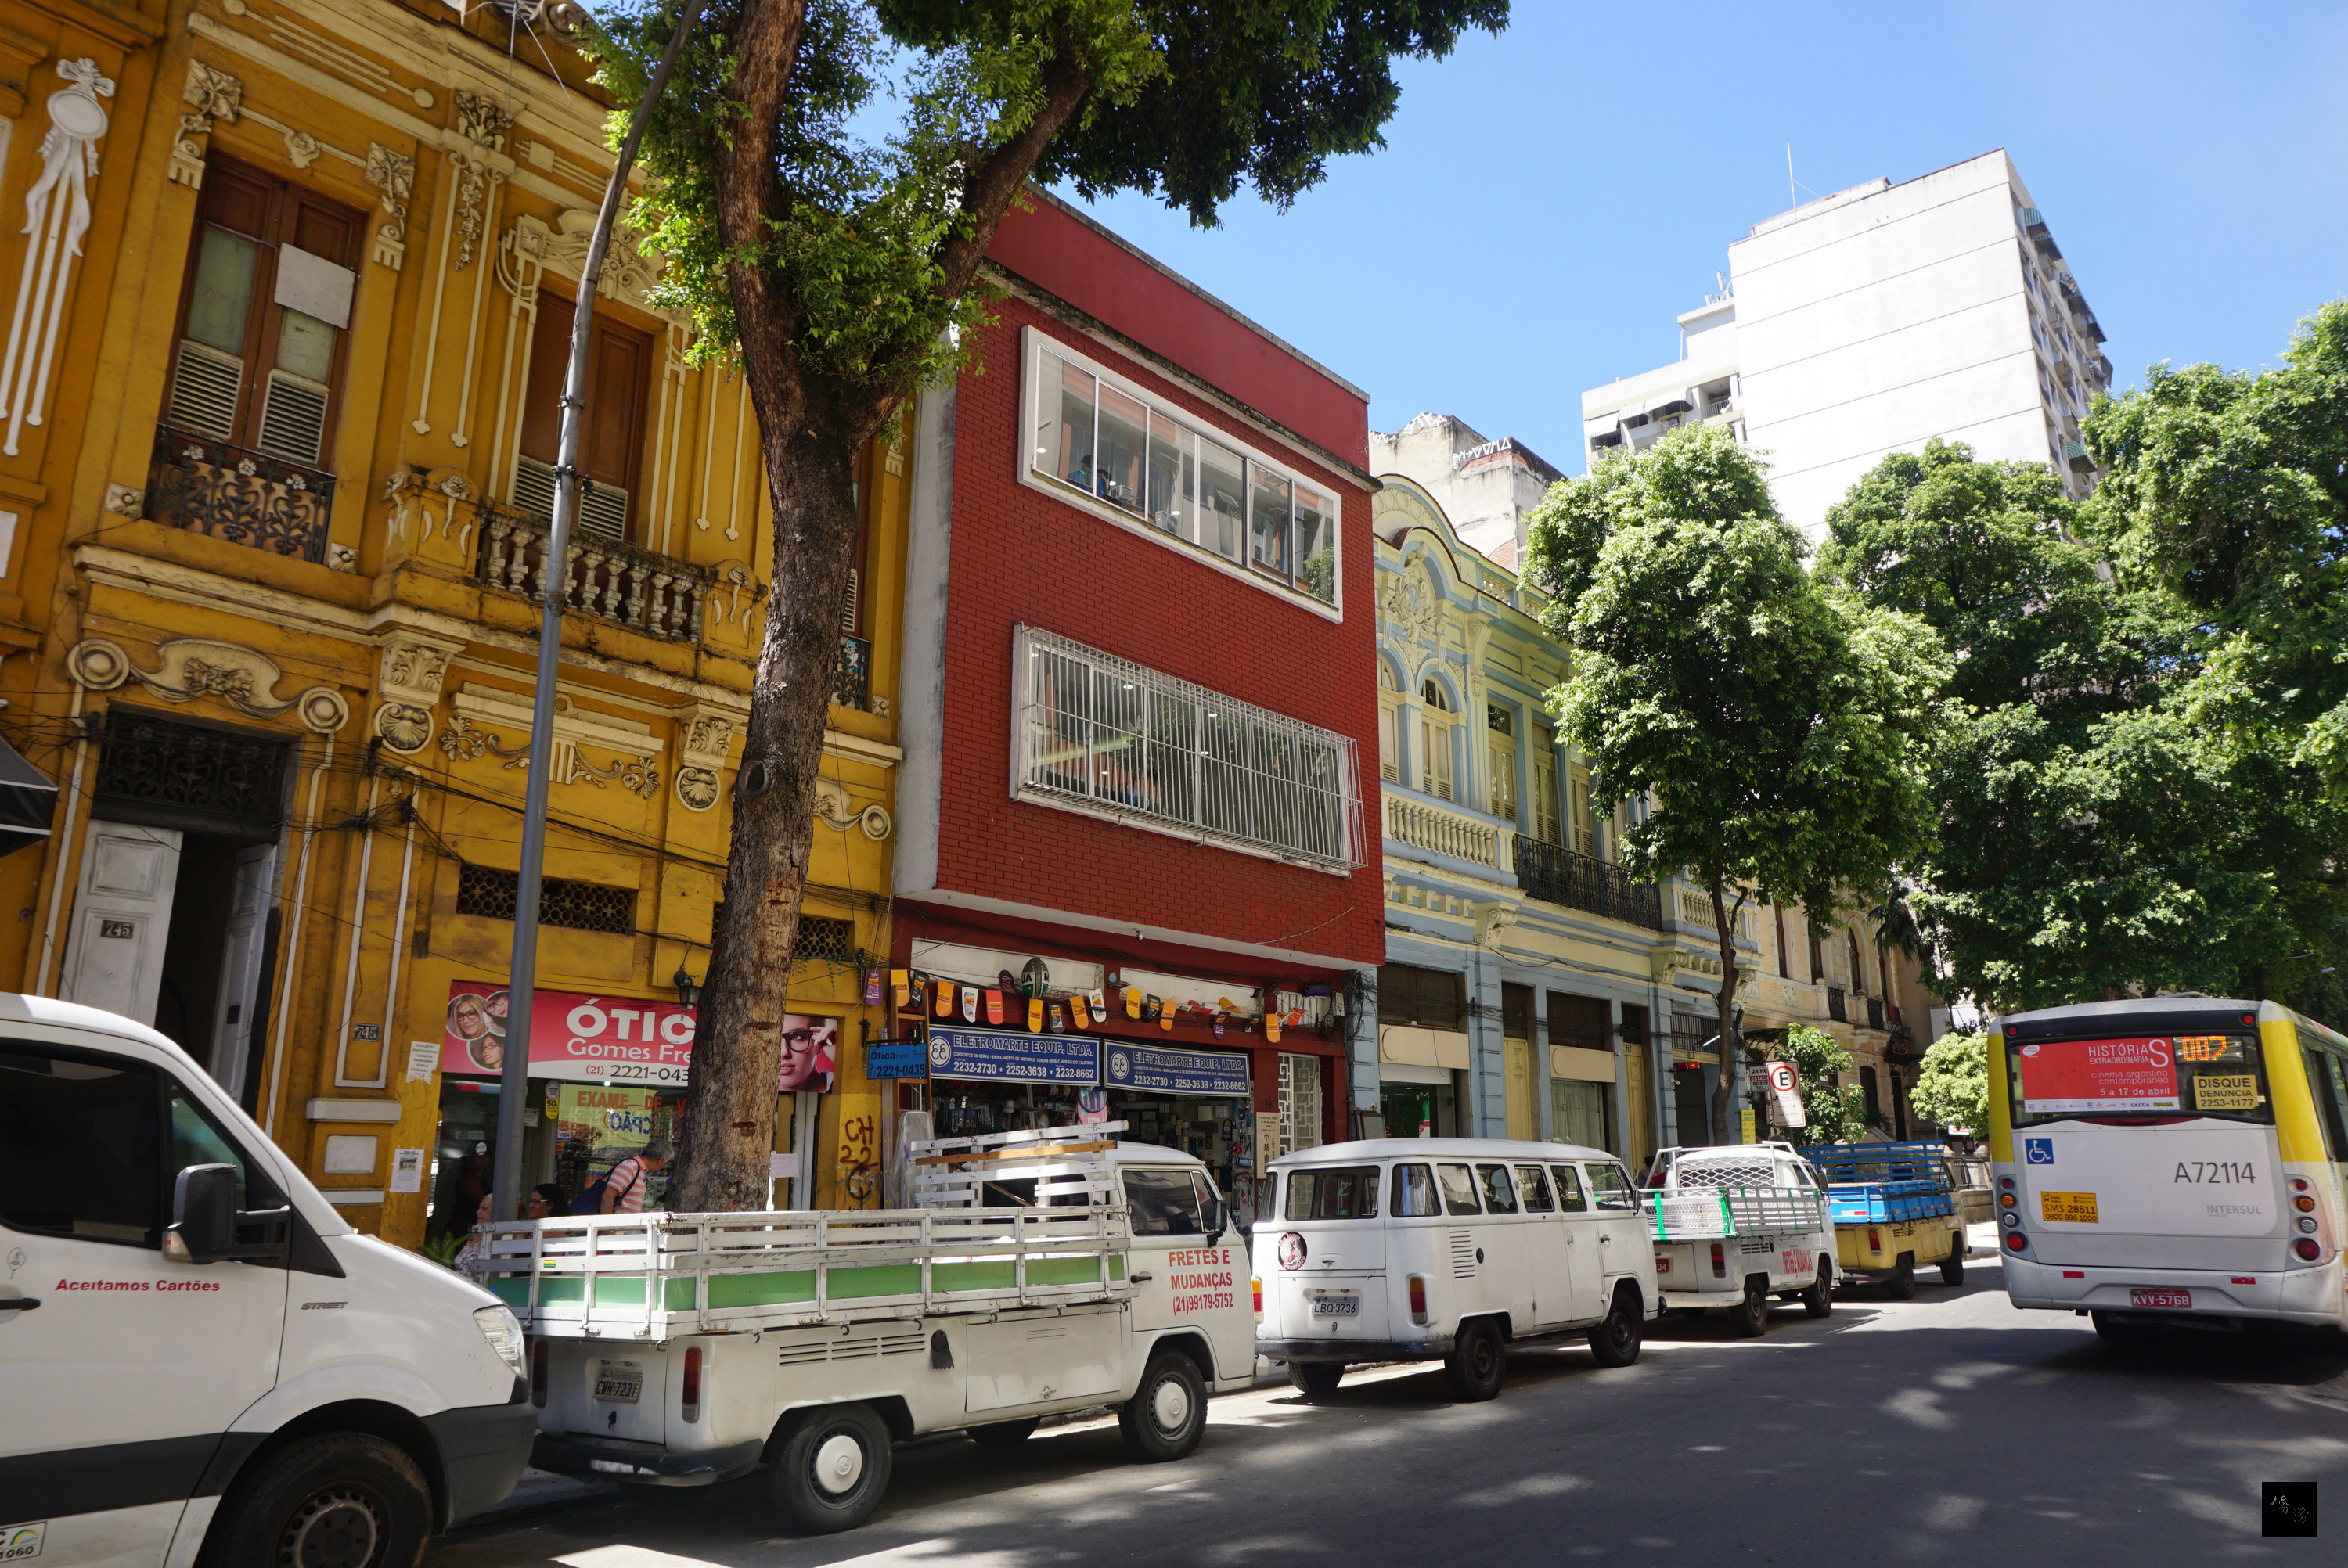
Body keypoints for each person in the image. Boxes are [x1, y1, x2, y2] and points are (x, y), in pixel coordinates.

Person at [599, 1138, 669, 1214]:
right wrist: (609, 1224)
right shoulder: (630, 1167)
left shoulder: (641, 1172)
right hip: (617, 1224)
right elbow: (607, 1196)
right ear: (660, 1161)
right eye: (665, 1163)